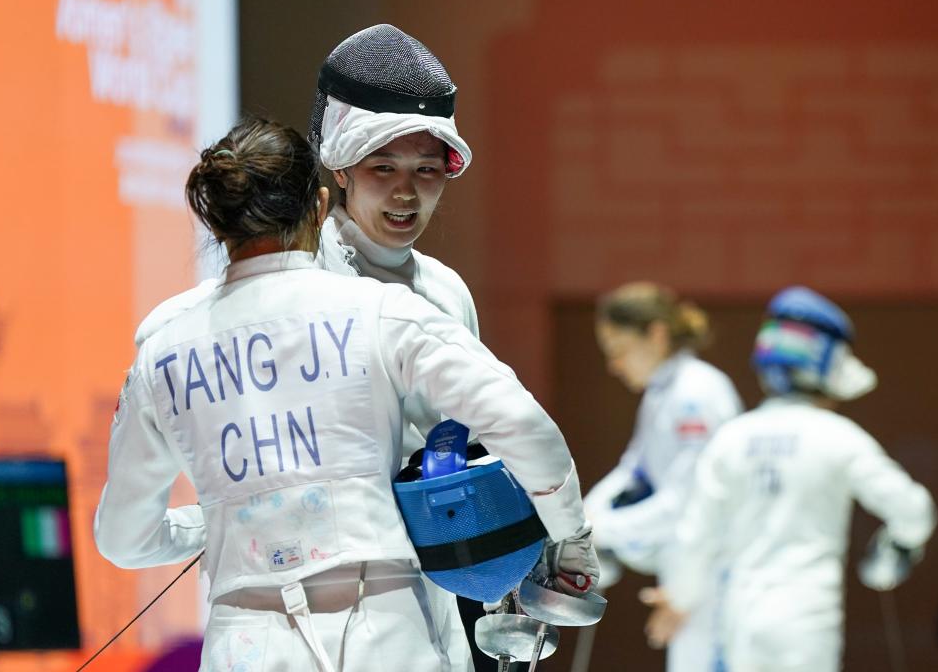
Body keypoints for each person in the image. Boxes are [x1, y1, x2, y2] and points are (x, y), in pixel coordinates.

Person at [94, 116, 599, 672]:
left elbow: (125, 539)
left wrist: (216, 518)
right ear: (319, 206)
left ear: (216, 225)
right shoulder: (382, 310)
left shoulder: (163, 348)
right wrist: (570, 538)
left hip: (244, 646)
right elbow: (521, 425)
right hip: (385, 634)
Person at [134, 24, 488, 669]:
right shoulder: (287, 288)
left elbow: (470, 452)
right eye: (383, 168)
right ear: (340, 167)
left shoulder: (447, 294)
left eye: (427, 170)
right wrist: (217, 520)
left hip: (421, 608)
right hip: (294, 611)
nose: (406, 193)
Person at [647, 286, 937, 672]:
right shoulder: (838, 436)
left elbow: (695, 535)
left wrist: (679, 599)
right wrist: (894, 552)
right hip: (805, 622)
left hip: (739, 620)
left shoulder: (732, 438)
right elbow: (915, 511)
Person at [581, 282, 743, 672]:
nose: (614, 364)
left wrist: (601, 529)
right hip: (689, 570)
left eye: (619, 349)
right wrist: (581, 518)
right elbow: (632, 470)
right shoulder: (661, 393)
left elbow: (688, 502)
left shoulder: (695, 394)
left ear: (656, 335)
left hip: (718, 575)